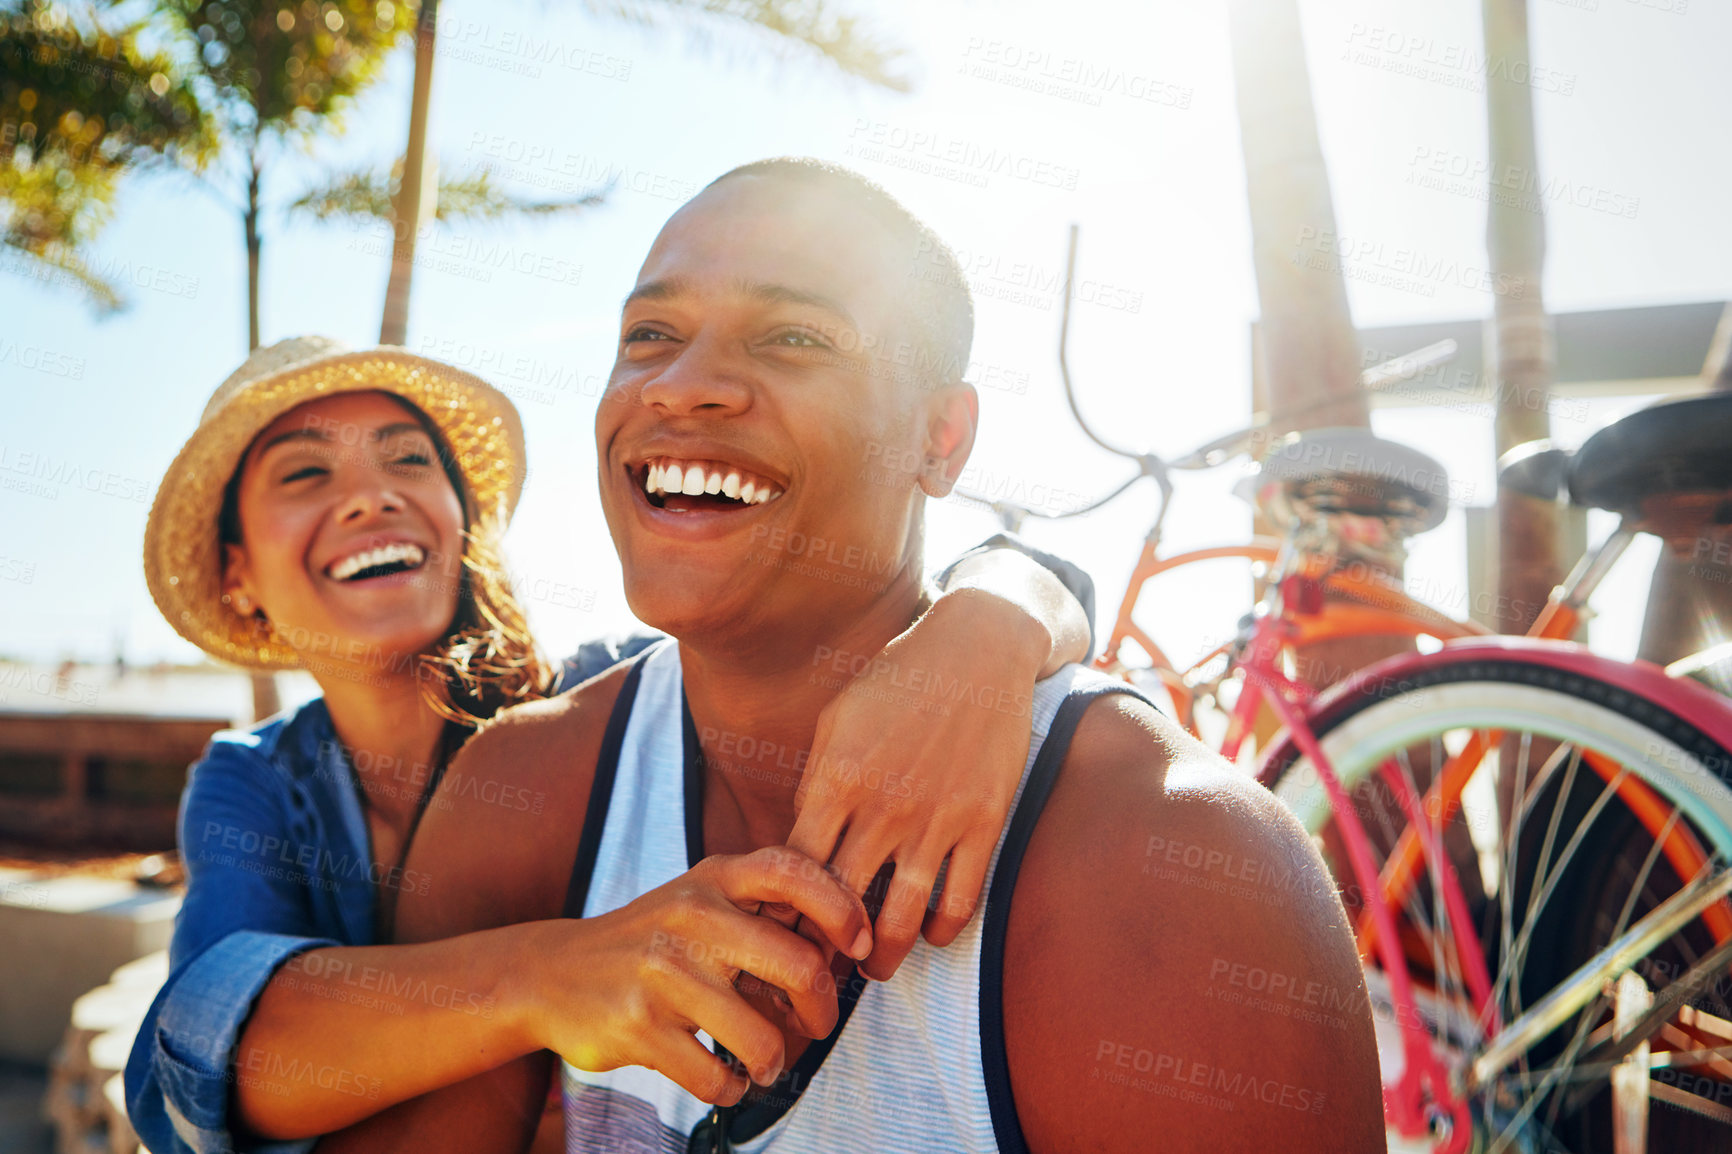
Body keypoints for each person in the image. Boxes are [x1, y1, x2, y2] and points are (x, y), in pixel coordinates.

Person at [306, 158, 1387, 1153]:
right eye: (648, 334)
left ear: (941, 438)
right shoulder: (521, 792)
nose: (681, 386)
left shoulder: (1175, 867)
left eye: (793, 339)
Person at [123, 336, 1097, 1153]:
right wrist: (549, 976)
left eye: (409, 459)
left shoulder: (616, 705)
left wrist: (992, 619)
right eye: (305, 472)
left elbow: (916, 612)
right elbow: (196, 1054)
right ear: (239, 572)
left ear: (463, 522)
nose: (372, 495)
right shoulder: (253, 779)